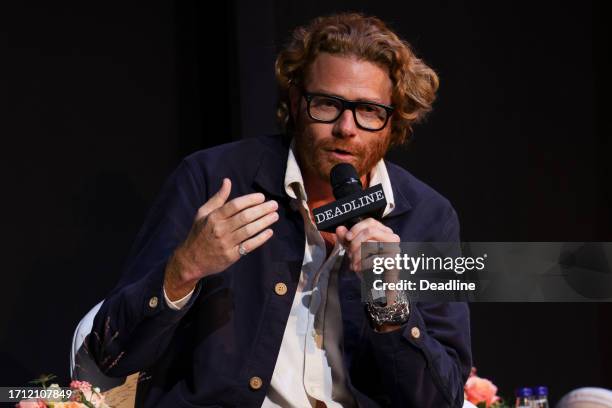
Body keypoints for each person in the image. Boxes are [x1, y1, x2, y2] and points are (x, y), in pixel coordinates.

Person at [86, 12, 472, 407]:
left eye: (369, 111)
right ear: (294, 100)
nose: (346, 128)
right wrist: (184, 269)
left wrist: (391, 306)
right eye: (327, 103)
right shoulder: (213, 179)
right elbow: (110, 356)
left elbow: (442, 400)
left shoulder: (429, 217)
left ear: (395, 121)